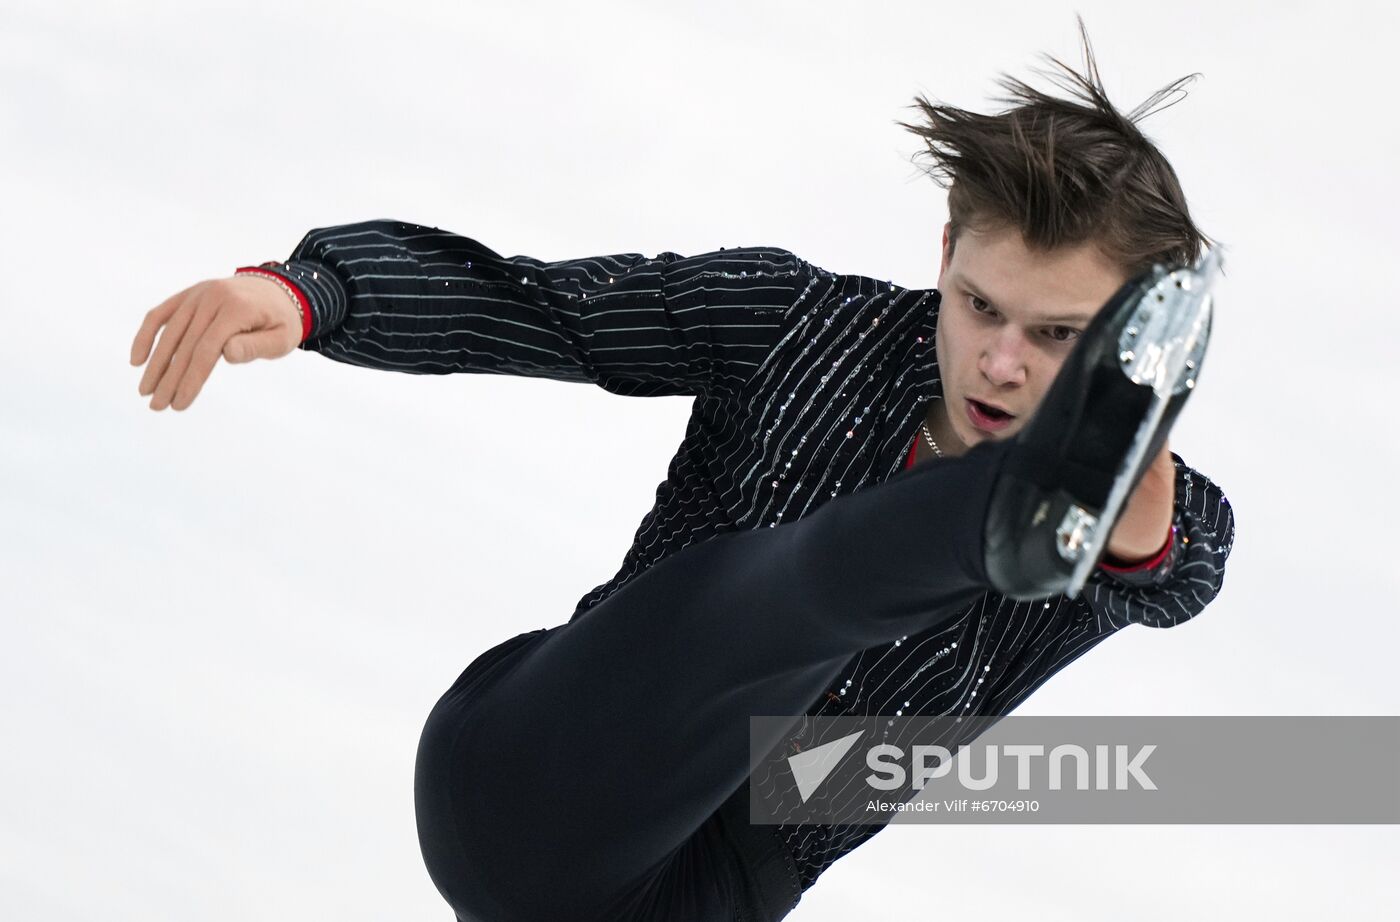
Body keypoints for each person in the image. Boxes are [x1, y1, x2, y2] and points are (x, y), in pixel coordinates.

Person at [128, 20, 1235, 922]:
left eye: (1053, 337)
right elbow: (544, 310)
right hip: (548, 771)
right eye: (980, 306)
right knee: (787, 591)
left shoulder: (1142, 506)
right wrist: (314, 293)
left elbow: (1181, 566)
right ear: (941, 256)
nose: (997, 360)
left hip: (718, 891)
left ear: (1118, 348)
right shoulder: (796, 323)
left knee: (833, 694)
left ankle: (1023, 497)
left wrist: (1133, 501)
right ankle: (993, 509)